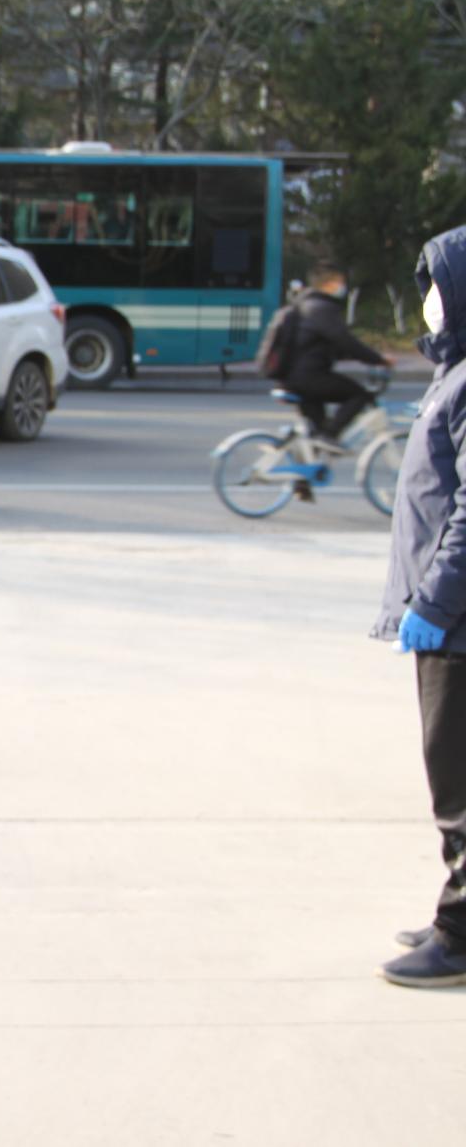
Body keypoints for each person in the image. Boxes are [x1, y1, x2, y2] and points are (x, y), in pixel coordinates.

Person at [374, 224, 466, 988]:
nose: (429, 300)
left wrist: (433, 600)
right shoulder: (454, 372)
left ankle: (460, 935)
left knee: (460, 790)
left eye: (438, 285)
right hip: (448, 620)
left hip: (458, 624)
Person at [281, 261, 391, 445]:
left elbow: (326, 345)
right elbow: (345, 341)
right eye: (339, 282)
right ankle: (330, 436)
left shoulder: (303, 304)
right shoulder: (321, 307)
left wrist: (357, 356)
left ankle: (314, 454)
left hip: (291, 375)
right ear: (328, 283)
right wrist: (378, 359)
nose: (342, 286)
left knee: (317, 435)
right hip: (308, 376)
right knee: (360, 395)